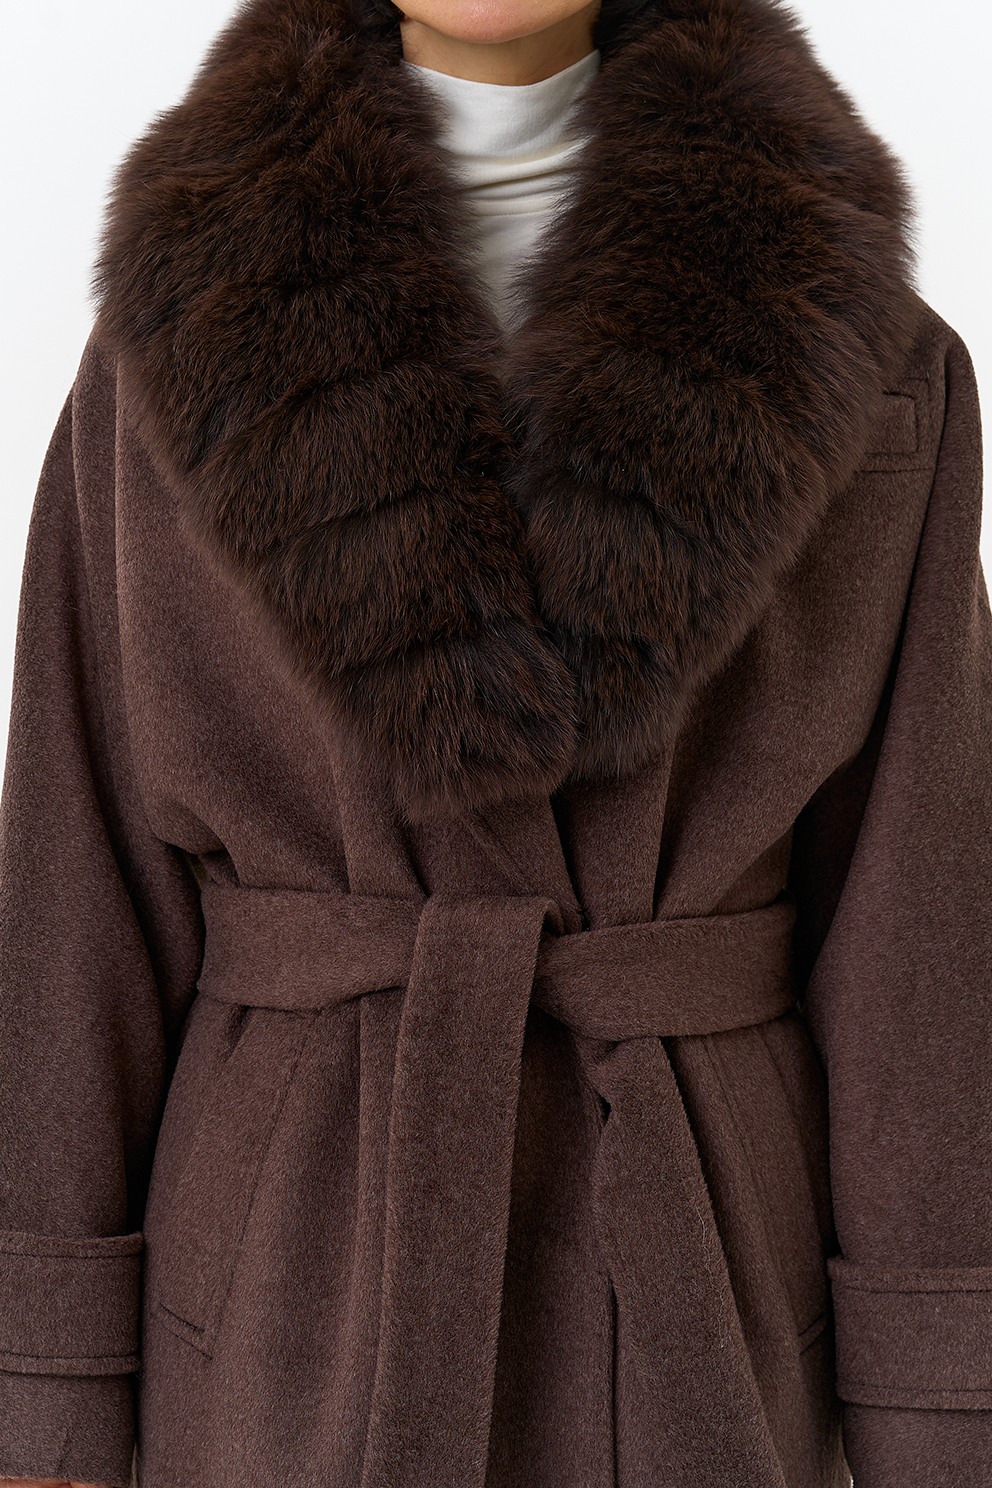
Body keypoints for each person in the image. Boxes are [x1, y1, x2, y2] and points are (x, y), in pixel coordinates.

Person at [1, 0, 990, 1484]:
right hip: (288, 1304)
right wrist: (43, 1396)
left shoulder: (876, 360)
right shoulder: (168, 340)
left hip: (700, 1293)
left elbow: (921, 923)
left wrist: (943, 1413)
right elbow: (74, 893)